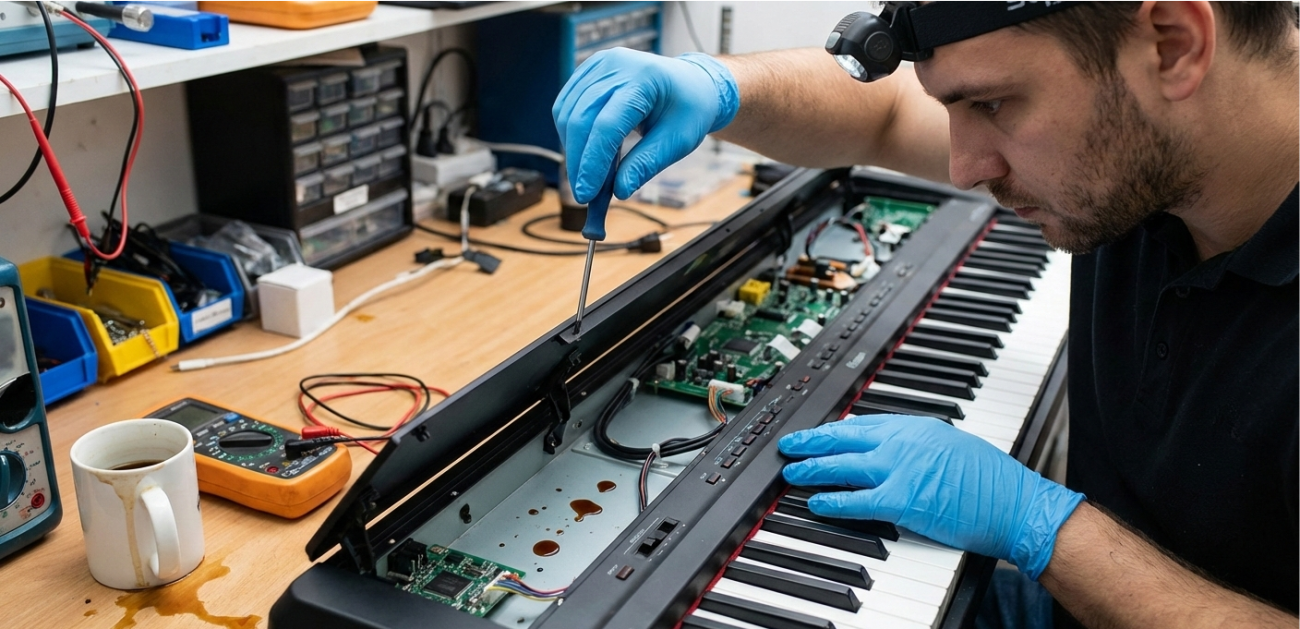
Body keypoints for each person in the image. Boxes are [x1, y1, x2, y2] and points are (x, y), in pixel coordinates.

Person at [553, 1, 1300, 628]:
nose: (963, 168)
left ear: (1174, 43)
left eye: (992, 105)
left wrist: (1045, 527)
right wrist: (720, 87)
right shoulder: (1160, 139)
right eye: (956, 107)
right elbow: (884, 114)